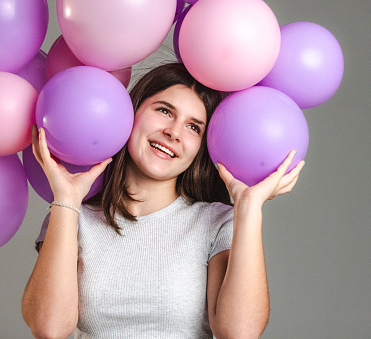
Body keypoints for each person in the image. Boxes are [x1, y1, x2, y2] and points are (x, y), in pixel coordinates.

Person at [22, 62, 305, 339]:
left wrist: (249, 209)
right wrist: (67, 199)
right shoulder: (73, 217)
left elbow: (239, 333)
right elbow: (49, 329)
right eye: (164, 111)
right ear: (131, 112)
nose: (174, 132)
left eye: (194, 127)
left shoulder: (219, 223)